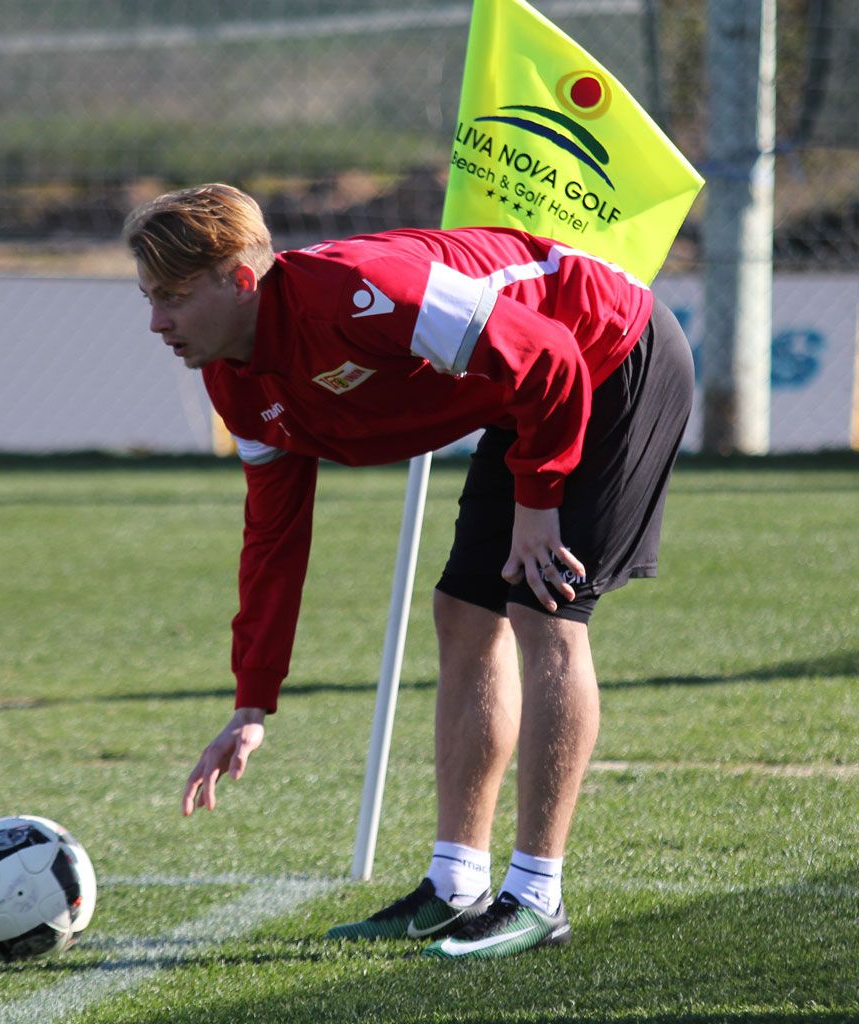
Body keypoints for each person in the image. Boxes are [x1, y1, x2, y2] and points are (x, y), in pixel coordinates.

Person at [123, 183, 694, 960]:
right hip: (528, 397)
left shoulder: (365, 297)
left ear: (242, 280)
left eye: (175, 298)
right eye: (150, 298)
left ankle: (538, 897)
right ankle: (456, 886)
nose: (157, 322)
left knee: (543, 607)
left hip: (609, 355)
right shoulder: (233, 374)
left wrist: (538, 504)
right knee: (463, 612)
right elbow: (273, 535)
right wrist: (252, 700)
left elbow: (552, 356)